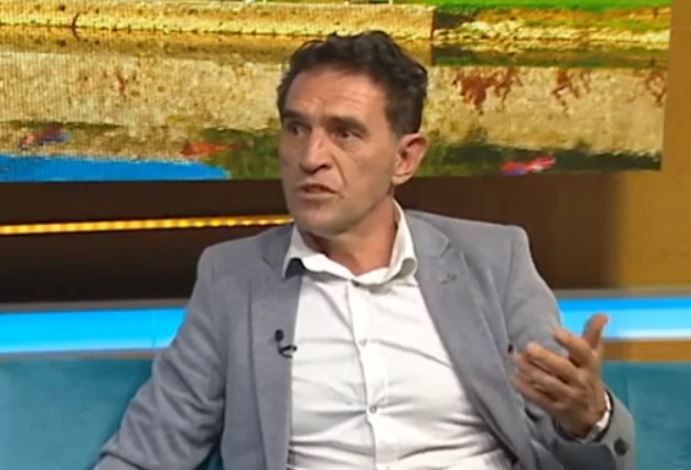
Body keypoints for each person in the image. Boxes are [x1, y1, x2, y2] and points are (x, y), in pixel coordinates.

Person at [96, 31, 634, 470]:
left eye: (345, 133)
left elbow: (582, 453)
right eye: (296, 128)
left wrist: (589, 419)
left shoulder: (494, 260)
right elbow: (149, 453)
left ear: (405, 158)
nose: (311, 156)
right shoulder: (233, 279)